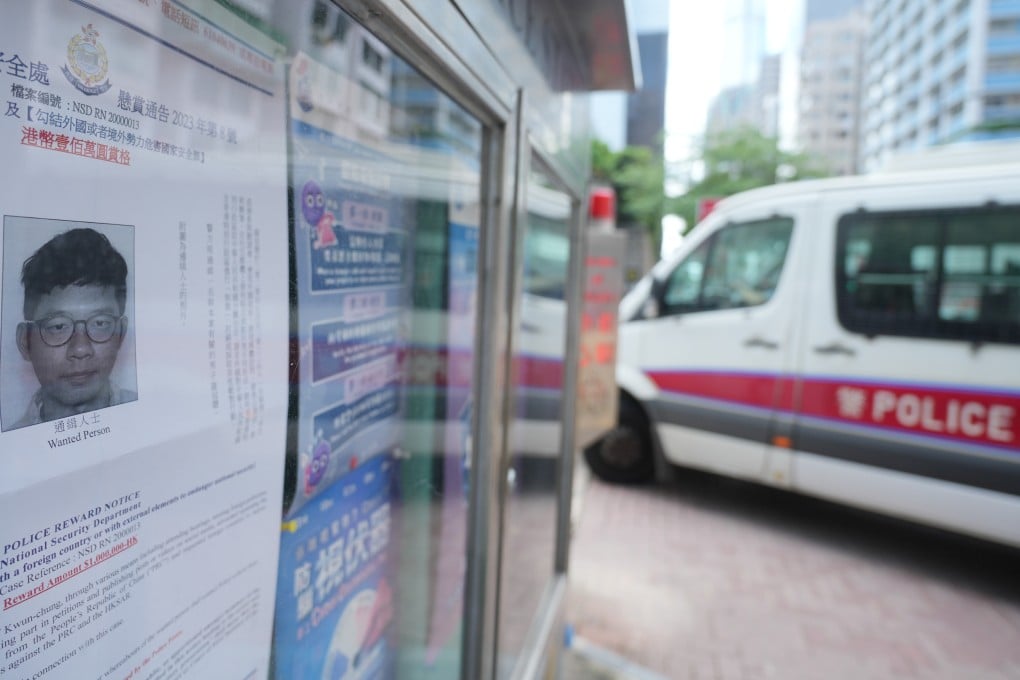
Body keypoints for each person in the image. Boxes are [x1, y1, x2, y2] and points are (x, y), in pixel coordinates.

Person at [11, 227, 136, 429]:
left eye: (100, 323)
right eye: (58, 326)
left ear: (121, 334)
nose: (80, 349)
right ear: (25, 341)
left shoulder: (156, 421)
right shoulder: (10, 452)